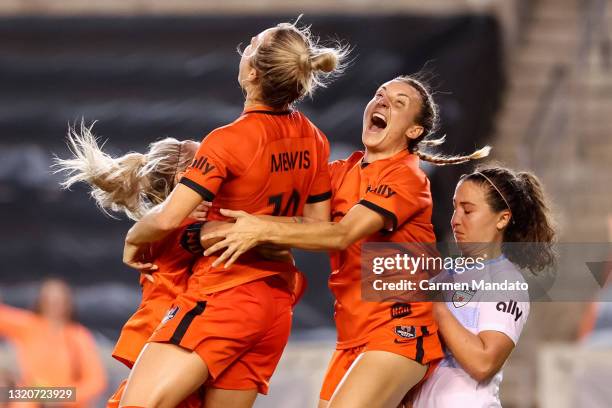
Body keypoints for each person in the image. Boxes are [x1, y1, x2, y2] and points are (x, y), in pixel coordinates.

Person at [201, 75, 490, 408]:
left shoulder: (406, 176)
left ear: (414, 131)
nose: (383, 102)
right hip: (352, 337)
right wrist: (220, 222)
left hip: (399, 329)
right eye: (380, 95)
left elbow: (341, 235)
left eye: (399, 103)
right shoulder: (341, 171)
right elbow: (305, 223)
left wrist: (259, 229)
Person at [119, 20, 348, 408]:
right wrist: (266, 230)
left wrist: (132, 241)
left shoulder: (228, 140)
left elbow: (167, 220)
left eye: (252, 43)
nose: (245, 46)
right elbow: (318, 228)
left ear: (254, 71)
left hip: (225, 294)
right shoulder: (315, 137)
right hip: (275, 305)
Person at [54, 124, 207, 408]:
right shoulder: (172, 223)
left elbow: (91, 384)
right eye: (207, 165)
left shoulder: (77, 337)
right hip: (170, 334)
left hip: (176, 333)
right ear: (183, 176)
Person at [411, 166, 556, 407]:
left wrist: (435, 306)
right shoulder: (442, 275)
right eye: (455, 208)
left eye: (467, 210)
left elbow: (483, 364)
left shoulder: (505, 281)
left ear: (502, 218)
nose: (455, 220)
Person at [0, 278, 107, 408]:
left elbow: (96, 382)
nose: (53, 305)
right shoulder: (29, 325)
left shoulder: (78, 335)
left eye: (58, 301)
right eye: (48, 300)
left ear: (67, 304)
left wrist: (57, 396)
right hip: (32, 395)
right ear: (40, 301)